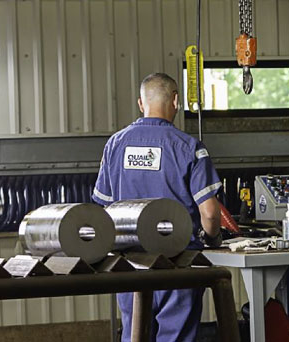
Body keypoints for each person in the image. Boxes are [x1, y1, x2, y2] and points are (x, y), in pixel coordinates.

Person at [92, 73, 223, 342]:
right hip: (178, 265)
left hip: (129, 266)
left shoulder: (114, 145)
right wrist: (212, 239)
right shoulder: (189, 148)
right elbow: (210, 214)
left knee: (136, 335)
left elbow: (102, 209)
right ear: (176, 101)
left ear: (141, 103)